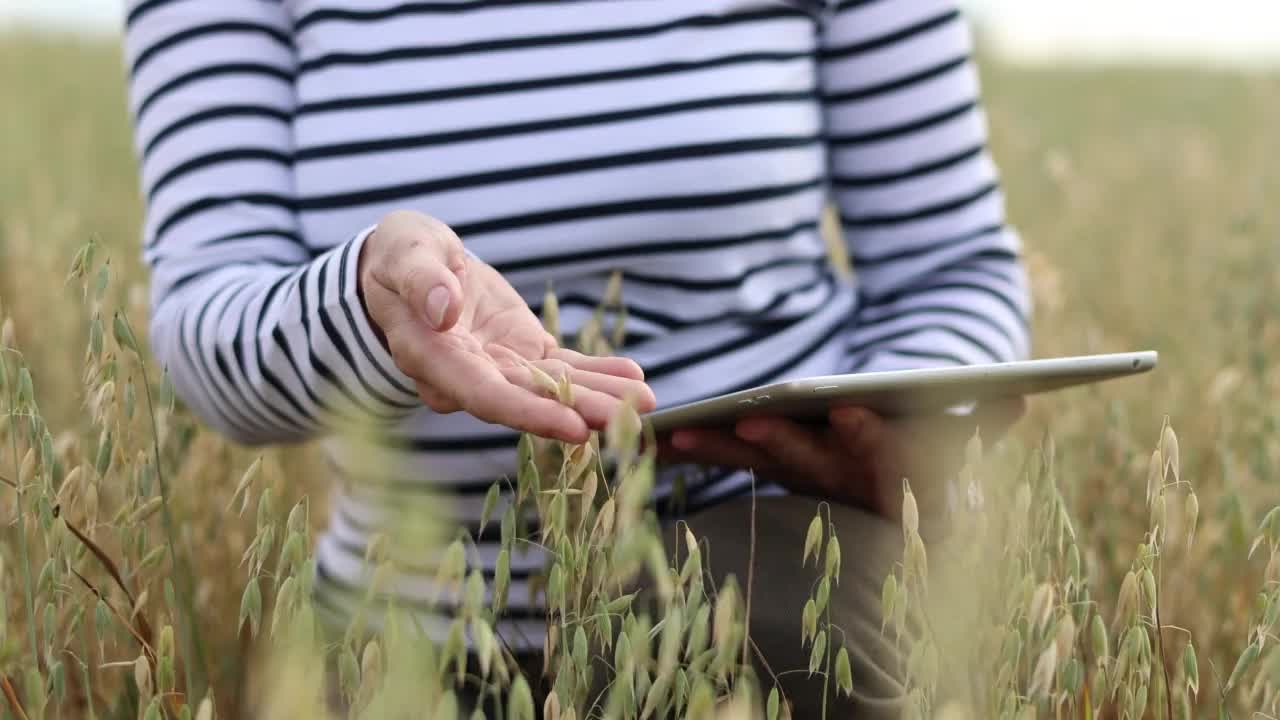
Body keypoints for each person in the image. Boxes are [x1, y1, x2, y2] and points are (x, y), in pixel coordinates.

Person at [122, 0, 1030, 715]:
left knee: (759, 630)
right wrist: (367, 303)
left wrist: (904, 434)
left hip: (771, 585)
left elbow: (951, 270)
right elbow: (207, 330)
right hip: (399, 642)